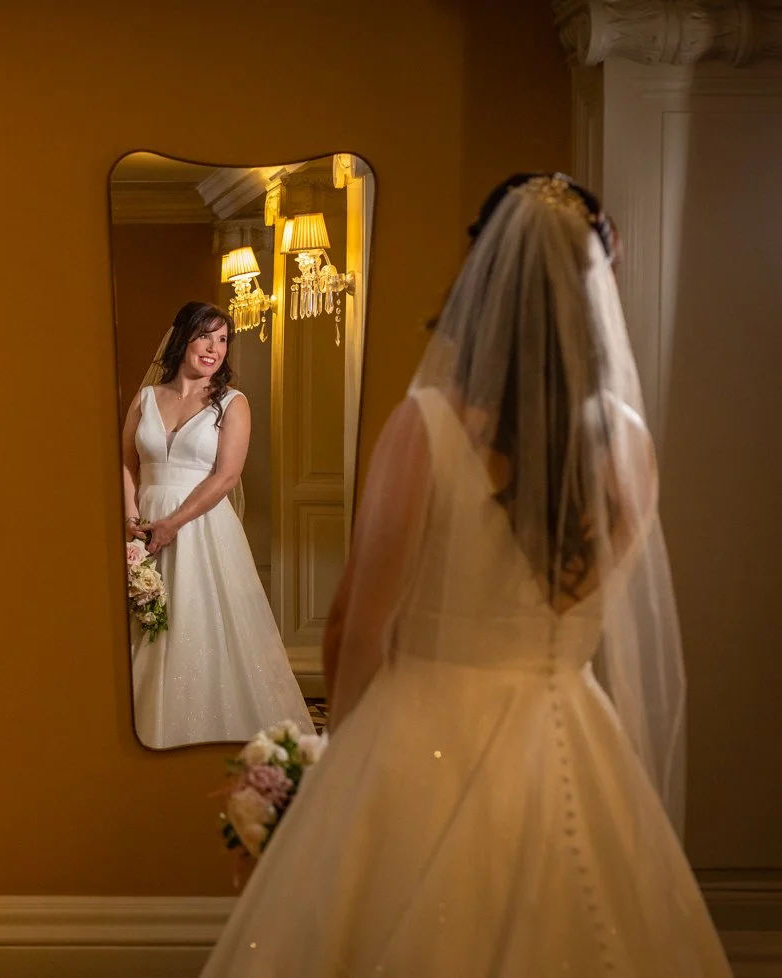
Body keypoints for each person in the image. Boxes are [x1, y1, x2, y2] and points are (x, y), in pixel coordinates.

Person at [198, 174, 731, 976]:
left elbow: (356, 625)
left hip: (424, 729)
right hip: (573, 735)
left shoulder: (431, 425)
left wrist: (338, 770)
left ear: (481, 279)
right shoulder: (630, 445)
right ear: (597, 295)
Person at [121, 301, 314, 749]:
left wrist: (172, 524)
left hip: (200, 527)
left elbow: (227, 476)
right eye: (205, 336)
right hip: (143, 526)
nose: (214, 348)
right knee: (142, 627)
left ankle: (206, 736)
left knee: (197, 622)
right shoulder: (146, 398)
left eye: (223, 339)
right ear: (181, 338)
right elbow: (128, 465)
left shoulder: (232, 403)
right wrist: (132, 520)